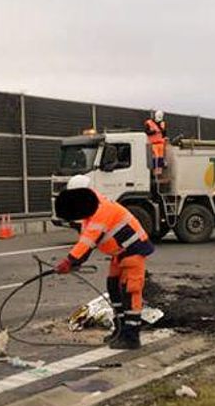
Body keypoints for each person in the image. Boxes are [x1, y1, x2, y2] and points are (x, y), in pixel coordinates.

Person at [53, 175, 154, 349]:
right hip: (120, 253)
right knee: (113, 286)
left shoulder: (102, 210)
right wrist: (74, 262)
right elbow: (86, 242)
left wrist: (69, 261)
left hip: (133, 251)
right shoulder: (89, 213)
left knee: (130, 292)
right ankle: (120, 329)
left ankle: (131, 337)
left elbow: (88, 241)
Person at [145, 110, 167, 175]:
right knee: (155, 157)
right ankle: (155, 171)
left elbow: (164, 133)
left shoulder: (162, 123)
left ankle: (159, 171)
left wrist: (165, 136)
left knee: (160, 157)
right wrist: (154, 132)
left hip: (161, 143)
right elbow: (146, 132)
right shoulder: (149, 123)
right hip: (153, 143)